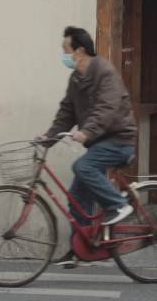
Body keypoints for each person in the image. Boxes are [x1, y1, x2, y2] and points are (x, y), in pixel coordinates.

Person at [43, 26, 137, 264]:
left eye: (66, 49)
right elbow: (66, 112)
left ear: (80, 50)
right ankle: (80, 249)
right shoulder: (76, 78)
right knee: (76, 197)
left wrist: (86, 132)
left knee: (82, 167)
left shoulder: (104, 71)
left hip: (119, 140)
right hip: (99, 143)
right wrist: (48, 138)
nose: (63, 55)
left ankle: (118, 206)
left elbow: (107, 108)